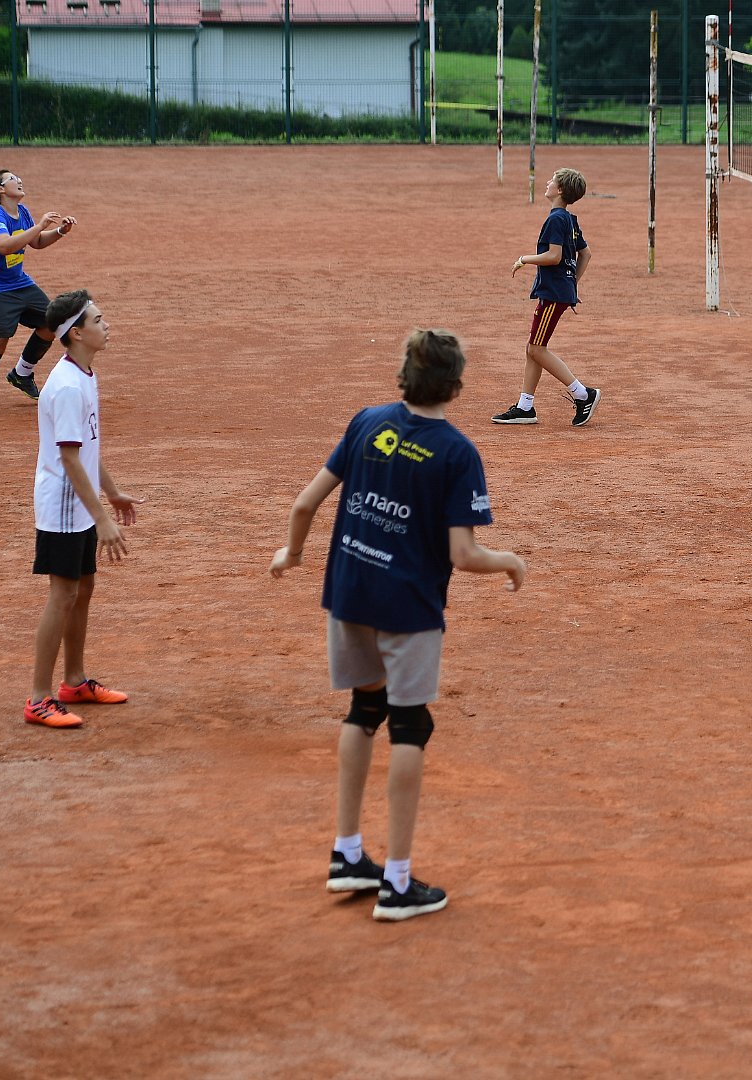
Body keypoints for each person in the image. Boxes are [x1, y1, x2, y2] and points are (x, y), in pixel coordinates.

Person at [271, 329, 526, 922]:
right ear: (455, 386)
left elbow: (305, 504)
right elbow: (463, 554)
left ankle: (346, 854)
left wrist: (293, 553)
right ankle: (398, 882)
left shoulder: (368, 422)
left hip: (349, 589)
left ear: (404, 377)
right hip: (407, 605)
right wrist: (509, 561)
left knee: (364, 710)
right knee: (411, 723)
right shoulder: (457, 452)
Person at [25, 290, 142, 729]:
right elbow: (70, 460)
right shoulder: (68, 386)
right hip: (62, 504)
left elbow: (88, 448)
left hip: (82, 502)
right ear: (76, 333)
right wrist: (103, 518)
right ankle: (39, 698)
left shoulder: (84, 373)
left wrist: (112, 493)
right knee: (63, 594)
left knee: (83, 587)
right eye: (97, 319)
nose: (105, 325)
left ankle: (74, 681)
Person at [0, 170, 77, 417]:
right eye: (12, 178)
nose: (19, 180)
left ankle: (21, 374)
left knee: (52, 321)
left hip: (18, 283)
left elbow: (36, 242)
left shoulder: (22, 212)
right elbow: (4, 246)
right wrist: (39, 226)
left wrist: (59, 232)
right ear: (0, 189)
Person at [492, 167, 601, 427]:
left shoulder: (556, 219)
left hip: (553, 292)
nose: (548, 182)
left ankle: (583, 394)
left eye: (552, 180)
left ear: (560, 190)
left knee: (536, 349)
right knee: (533, 349)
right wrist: (571, 285)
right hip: (557, 291)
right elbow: (585, 254)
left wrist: (524, 259)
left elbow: (554, 256)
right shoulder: (569, 219)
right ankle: (525, 406)